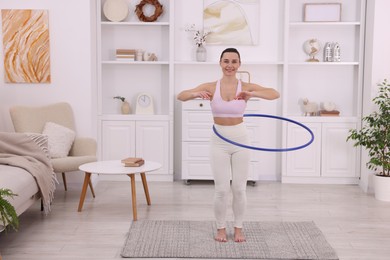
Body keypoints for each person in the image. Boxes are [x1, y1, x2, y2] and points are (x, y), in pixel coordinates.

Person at [177, 48, 280, 243]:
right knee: (221, 189)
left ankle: (239, 228)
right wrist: (196, 94)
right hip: (219, 142)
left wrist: (251, 92)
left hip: (241, 140)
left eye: (234, 62)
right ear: (220, 63)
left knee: (239, 189)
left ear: (239, 64)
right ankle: (221, 228)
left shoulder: (245, 86)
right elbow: (181, 96)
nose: (230, 65)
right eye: (226, 61)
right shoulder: (210, 86)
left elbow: (275, 93)